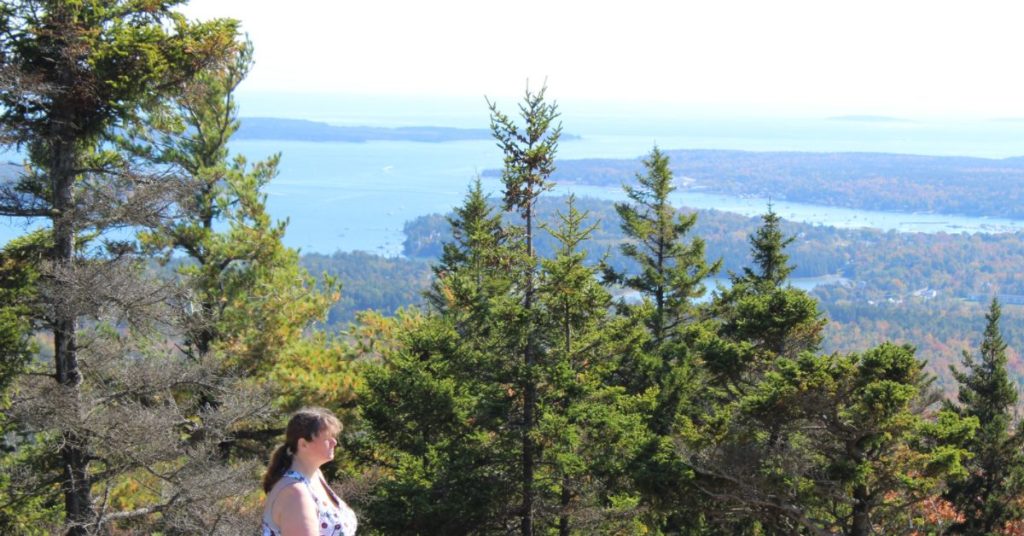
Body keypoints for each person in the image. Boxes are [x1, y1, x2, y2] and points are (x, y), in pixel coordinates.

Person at [261, 407, 357, 536]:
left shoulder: (315, 475)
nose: (334, 442)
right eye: (327, 438)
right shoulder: (295, 493)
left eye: (333, 436)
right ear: (303, 444)